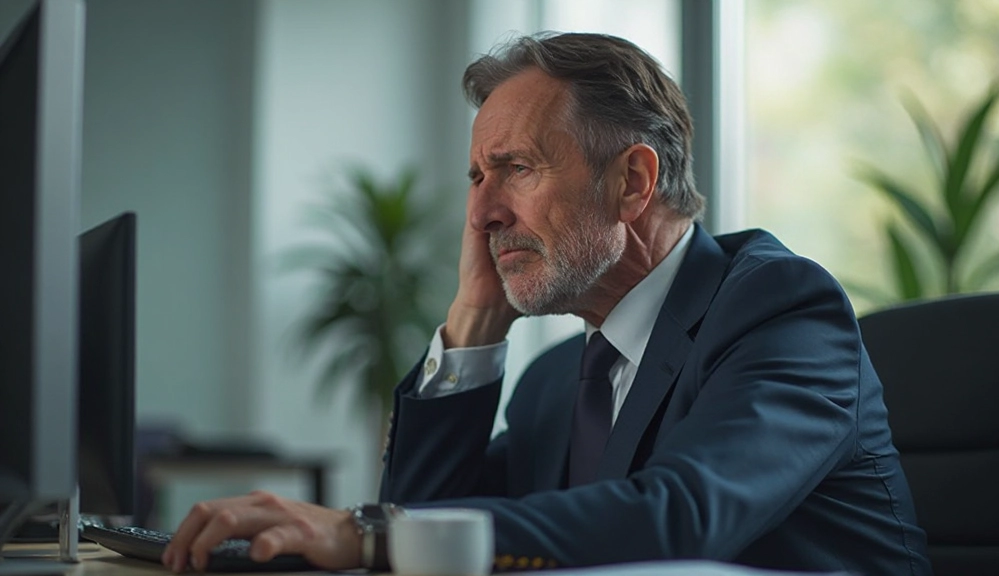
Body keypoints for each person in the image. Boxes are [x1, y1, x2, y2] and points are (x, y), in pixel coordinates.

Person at [162, 33, 932, 575]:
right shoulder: (558, 382)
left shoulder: (780, 311)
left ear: (632, 181)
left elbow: (684, 516)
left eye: (516, 168)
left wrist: (368, 535)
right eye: (475, 179)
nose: (481, 215)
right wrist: (471, 328)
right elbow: (437, 544)